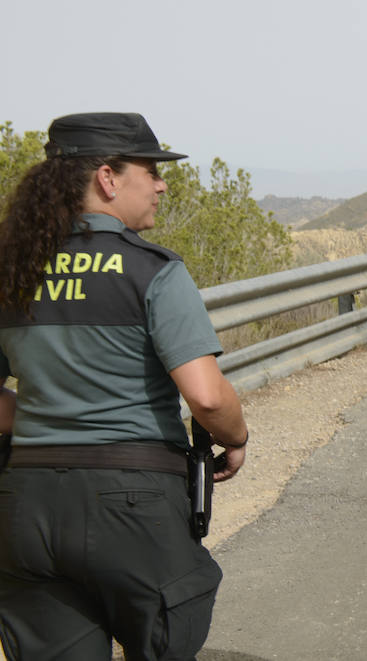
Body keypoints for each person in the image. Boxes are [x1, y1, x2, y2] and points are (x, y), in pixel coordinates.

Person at [0, 112, 248, 660]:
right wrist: (236, 436)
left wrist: (45, 414)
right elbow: (206, 397)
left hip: (27, 505)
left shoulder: (14, 269)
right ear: (108, 179)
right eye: (151, 170)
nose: (161, 184)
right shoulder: (152, 269)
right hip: (131, 501)